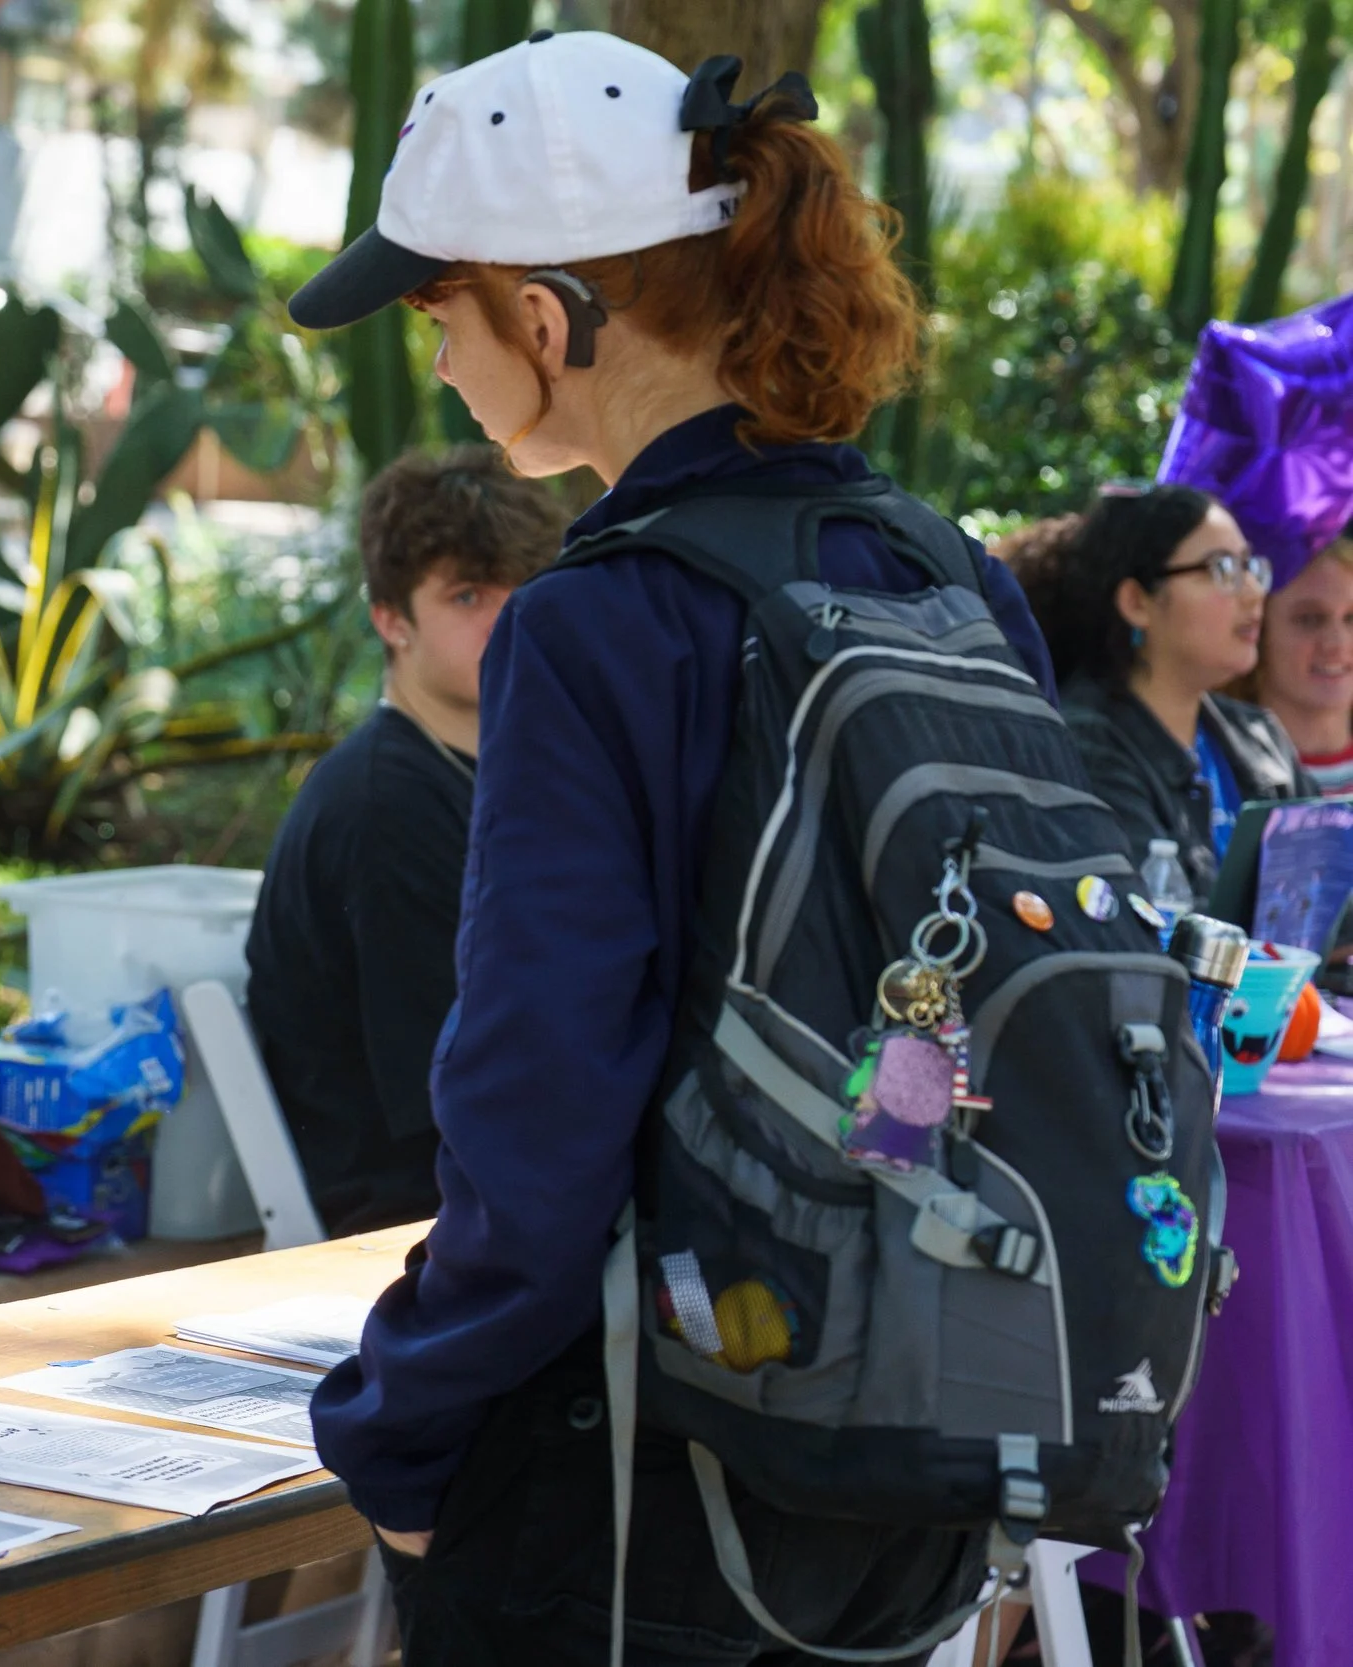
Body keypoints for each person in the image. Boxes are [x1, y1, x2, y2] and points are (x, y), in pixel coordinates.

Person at [283, 32, 1056, 1665]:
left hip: (636, 1452)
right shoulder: (945, 573)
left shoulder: (596, 621)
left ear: (546, 320)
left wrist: (410, 1418)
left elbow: (540, 1078)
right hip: (911, 1423)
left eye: (440, 313)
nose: (435, 364)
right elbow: (966, 1007)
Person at [244, 445, 565, 1235]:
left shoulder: (494, 775)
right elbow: (456, 1086)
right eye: (467, 595)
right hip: (415, 1217)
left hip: (484, 1182)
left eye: (525, 589)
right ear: (392, 619)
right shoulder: (387, 805)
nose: (507, 617)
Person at [1007, 487, 1311, 900]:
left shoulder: (1260, 736)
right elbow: (1147, 921)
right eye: (1221, 568)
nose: (1254, 591)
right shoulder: (1085, 747)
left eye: (1249, 566)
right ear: (1137, 602)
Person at [1250, 535, 1353, 795]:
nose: (1336, 642)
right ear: (1257, 633)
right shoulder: (1214, 778)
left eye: (1352, 618)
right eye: (1309, 619)